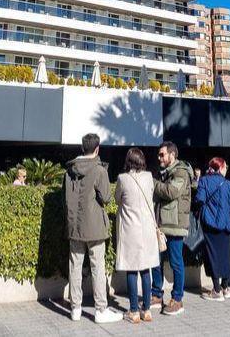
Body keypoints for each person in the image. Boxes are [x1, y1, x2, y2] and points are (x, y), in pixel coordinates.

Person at [64, 134, 121, 323]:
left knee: (75, 266)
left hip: (74, 226)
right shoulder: (99, 170)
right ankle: (100, 310)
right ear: (97, 149)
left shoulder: (69, 170)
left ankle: (75, 309)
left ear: (82, 148)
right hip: (95, 226)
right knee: (98, 266)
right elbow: (105, 197)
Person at [114, 148, 159, 324]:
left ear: (128, 161)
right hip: (147, 230)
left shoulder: (122, 179)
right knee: (146, 269)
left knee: (132, 270)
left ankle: (133, 311)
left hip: (130, 230)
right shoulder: (148, 177)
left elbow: (118, 199)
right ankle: (146, 310)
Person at [151, 142, 190, 316]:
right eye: (159, 155)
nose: (159, 157)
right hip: (162, 224)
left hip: (175, 226)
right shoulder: (165, 173)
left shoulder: (180, 172)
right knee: (155, 262)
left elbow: (171, 192)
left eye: (162, 154)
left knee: (176, 262)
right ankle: (157, 295)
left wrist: (151, 183)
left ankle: (177, 299)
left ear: (172, 155)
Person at [194, 157, 230, 301]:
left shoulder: (204, 181)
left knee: (212, 256)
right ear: (220, 168)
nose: (226, 169)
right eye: (225, 167)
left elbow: (199, 200)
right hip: (226, 226)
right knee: (225, 256)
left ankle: (216, 289)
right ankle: (225, 288)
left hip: (210, 224)